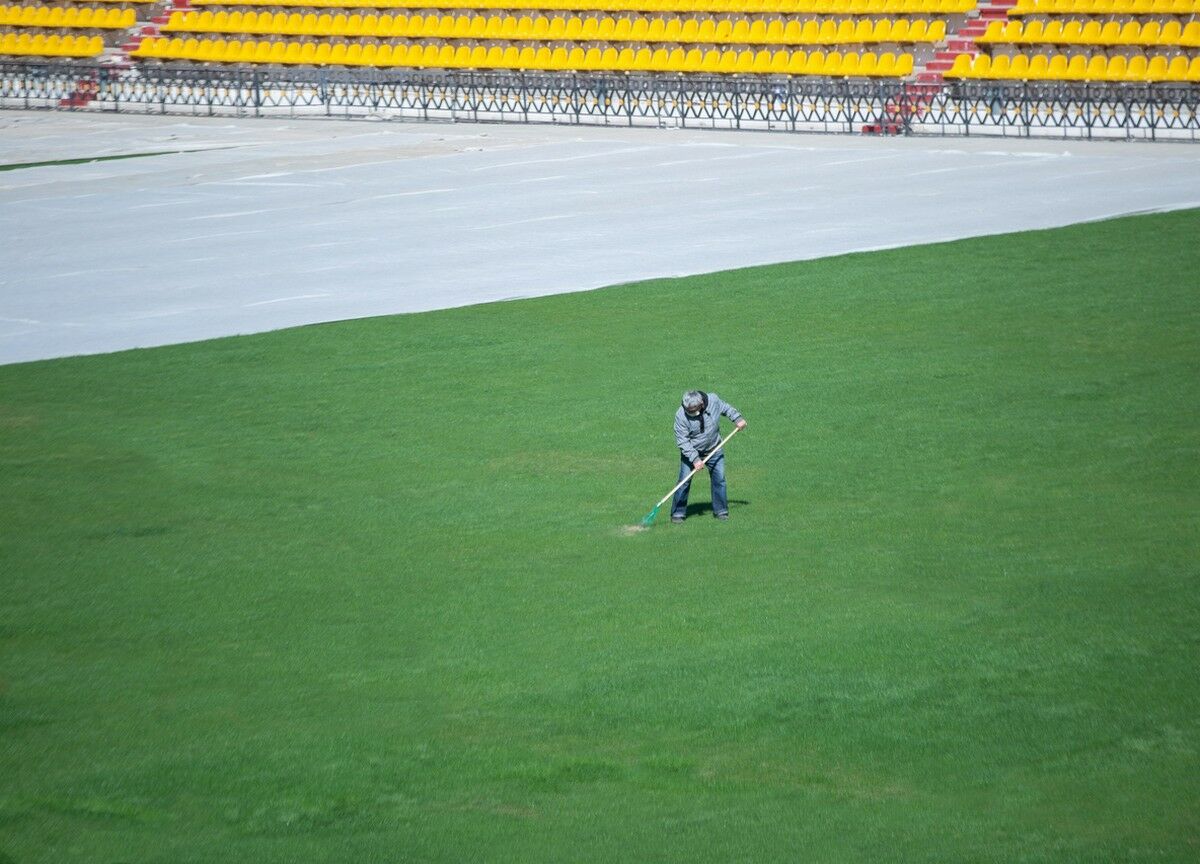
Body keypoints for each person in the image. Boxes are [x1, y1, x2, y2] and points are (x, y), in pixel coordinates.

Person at [671, 390, 747, 523]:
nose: (689, 412)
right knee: (683, 482)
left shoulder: (713, 400)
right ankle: (678, 513)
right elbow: (682, 440)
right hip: (692, 452)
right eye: (687, 409)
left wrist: (737, 418)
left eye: (692, 409)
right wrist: (695, 459)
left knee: (720, 479)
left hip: (714, 448)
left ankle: (721, 511)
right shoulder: (681, 415)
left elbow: (726, 408)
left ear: (701, 404)